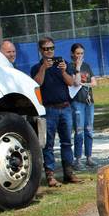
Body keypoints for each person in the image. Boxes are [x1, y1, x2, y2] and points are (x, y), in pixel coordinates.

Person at [30, 37, 80, 187]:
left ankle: (68, 173)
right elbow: (37, 83)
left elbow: (71, 83)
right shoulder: (36, 67)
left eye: (52, 48)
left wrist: (64, 71)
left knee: (66, 142)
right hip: (49, 109)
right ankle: (50, 175)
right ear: (40, 51)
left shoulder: (61, 64)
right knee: (48, 144)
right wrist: (44, 68)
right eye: (46, 49)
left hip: (65, 107)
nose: (49, 51)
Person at [68, 43, 97, 170]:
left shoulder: (88, 66)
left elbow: (94, 83)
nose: (80, 56)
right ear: (72, 54)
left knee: (89, 129)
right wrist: (78, 68)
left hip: (89, 102)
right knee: (79, 130)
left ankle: (89, 157)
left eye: (82, 53)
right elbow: (75, 82)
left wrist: (85, 84)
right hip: (77, 102)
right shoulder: (69, 67)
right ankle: (77, 159)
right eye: (77, 53)